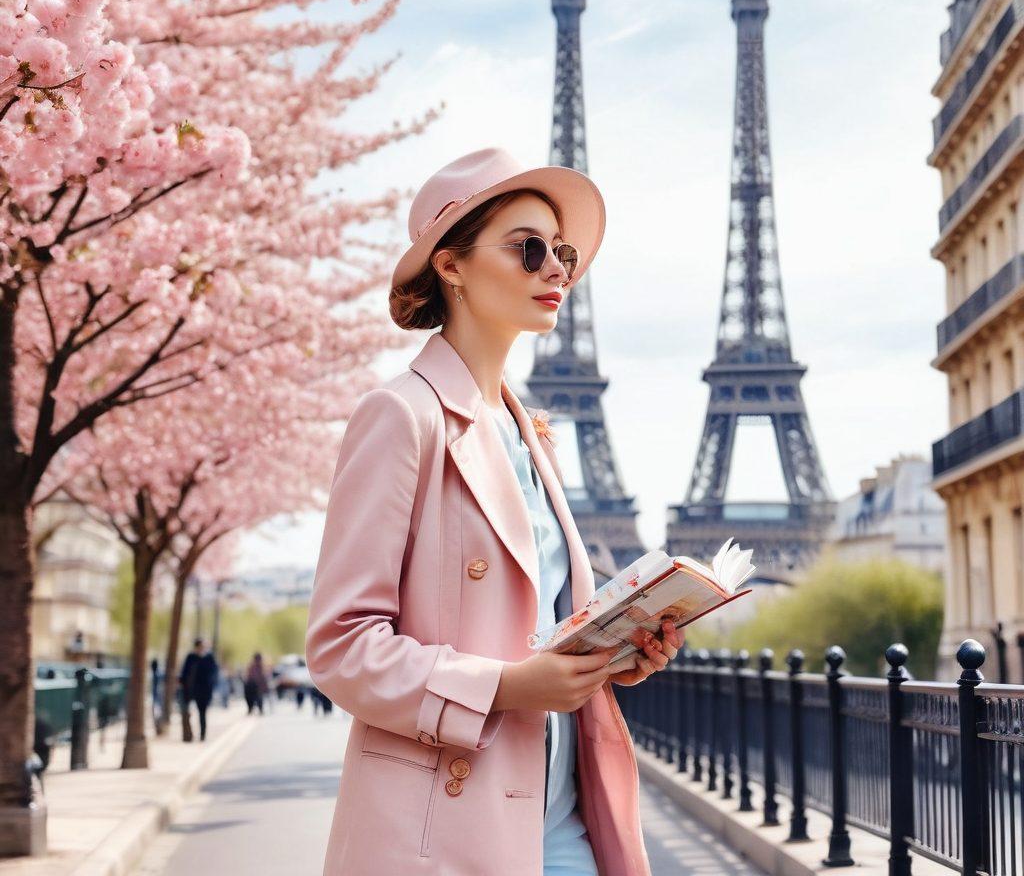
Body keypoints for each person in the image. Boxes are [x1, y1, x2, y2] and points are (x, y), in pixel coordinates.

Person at [305, 148, 682, 876]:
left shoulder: (530, 432)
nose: (557, 270)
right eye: (529, 248)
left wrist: (613, 654)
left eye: (563, 251)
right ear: (450, 265)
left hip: (565, 821)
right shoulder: (400, 416)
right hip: (448, 829)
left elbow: (537, 624)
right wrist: (508, 688)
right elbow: (341, 645)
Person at [178, 637, 219, 741]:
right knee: (187, 712)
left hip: (205, 691)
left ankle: (202, 734)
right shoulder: (191, 657)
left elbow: (214, 673)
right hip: (191, 690)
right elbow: (184, 673)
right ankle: (188, 734)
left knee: (202, 712)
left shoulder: (209, 658)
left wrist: (211, 686)